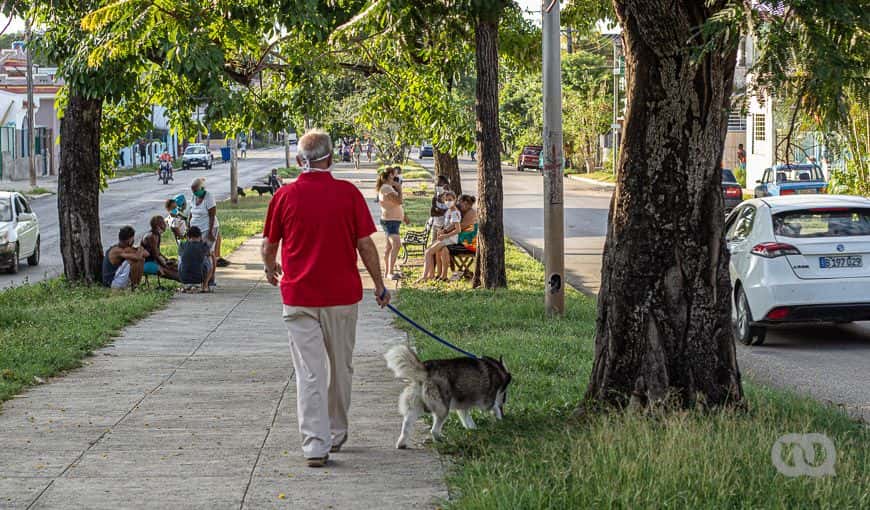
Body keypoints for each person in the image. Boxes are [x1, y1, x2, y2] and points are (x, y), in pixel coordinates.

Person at [261, 128, 390, 468]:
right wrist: (379, 285)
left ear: (302, 160)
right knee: (341, 368)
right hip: (342, 298)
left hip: (298, 297)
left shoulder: (285, 197)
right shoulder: (348, 194)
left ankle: (314, 445)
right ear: (331, 158)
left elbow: (268, 245)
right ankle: (336, 432)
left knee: (309, 372)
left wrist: (269, 268)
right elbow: (365, 245)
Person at [418, 191, 459, 282]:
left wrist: (445, 235)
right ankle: (435, 275)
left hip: (451, 239)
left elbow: (458, 229)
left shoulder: (455, 212)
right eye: (446, 200)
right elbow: (450, 225)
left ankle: (425, 276)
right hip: (445, 237)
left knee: (428, 252)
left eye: (450, 200)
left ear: (455, 200)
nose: (448, 201)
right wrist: (442, 231)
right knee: (433, 251)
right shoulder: (449, 211)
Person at [377, 166, 409, 280]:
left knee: (389, 247)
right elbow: (399, 201)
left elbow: (396, 205)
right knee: (396, 244)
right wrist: (399, 189)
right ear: (390, 175)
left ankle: (387, 272)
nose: (396, 176)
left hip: (393, 220)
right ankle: (390, 272)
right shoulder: (386, 188)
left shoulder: (388, 187)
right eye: (394, 174)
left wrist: (404, 216)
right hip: (390, 221)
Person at [189, 177, 223, 282]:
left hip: (208, 228)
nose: (194, 193)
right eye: (193, 191)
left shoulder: (209, 197)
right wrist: (189, 227)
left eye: (196, 190)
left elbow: (212, 215)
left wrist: (210, 232)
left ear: (202, 188)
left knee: (209, 253)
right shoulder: (194, 197)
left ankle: (210, 279)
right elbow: (191, 212)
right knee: (198, 253)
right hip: (196, 230)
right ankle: (201, 277)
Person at [141, 216, 180, 281]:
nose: (165, 225)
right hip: (147, 262)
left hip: (154, 260)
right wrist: (166, 266)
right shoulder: (151, 237)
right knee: (174, 274)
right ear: (158, 226)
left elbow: (158, 253)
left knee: (177, 265)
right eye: (163, 223)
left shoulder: (157, 234)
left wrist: (167, 260)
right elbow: (156, 256)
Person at [178, 226, 214, 292]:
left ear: (188, 237)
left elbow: (181, 261)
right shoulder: (204, 245)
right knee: (210, 258)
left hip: (184, 278)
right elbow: (210, 257)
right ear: (200, 236)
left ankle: (183, 284)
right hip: (200, 278)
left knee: (180, 260)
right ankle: (205, 284)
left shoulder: (182, 245)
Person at [429, 176, 450, 240]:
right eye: (437, 185)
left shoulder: (449, 198)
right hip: (435, 225)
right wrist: (441, 211)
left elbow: (446, 213)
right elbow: (432, 213)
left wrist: (438, 210)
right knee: (433, 243)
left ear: (445, 185)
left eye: (439, 185)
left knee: (440, 246)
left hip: (444, 227)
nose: (437, 186)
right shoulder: (435, 198)